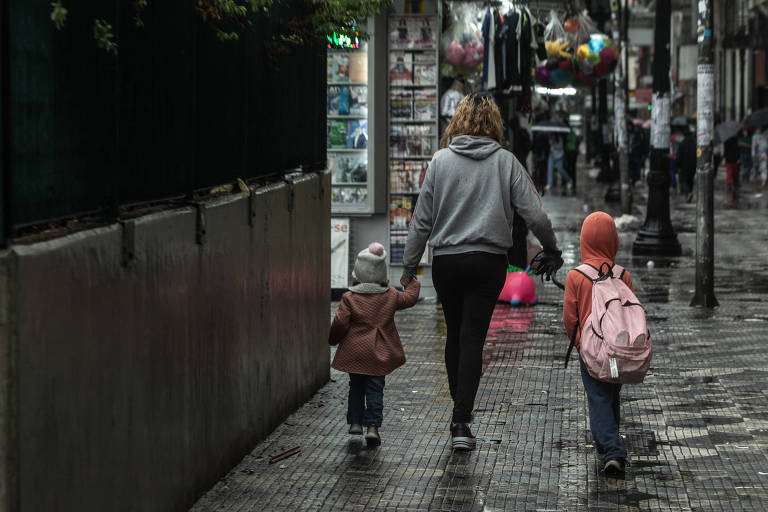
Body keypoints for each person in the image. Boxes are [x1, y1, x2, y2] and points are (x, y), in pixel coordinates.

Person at [400, 93, 562, 450]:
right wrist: (552, 248)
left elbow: (421, 220)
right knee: (473, 337)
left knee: (455, 334)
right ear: (495, 125)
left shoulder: (440, 162)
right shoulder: (506, 162)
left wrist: (409, 267)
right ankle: (462, 422)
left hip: (447, 262)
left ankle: (460, 413)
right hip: (488, 263)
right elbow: (534, 214)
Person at [563, 212, 634, 477]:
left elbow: (570, 318)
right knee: (611, 394)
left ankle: (612, 450)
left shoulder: (576, 277)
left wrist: (581, 343)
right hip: (619, 349)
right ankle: (607, 442)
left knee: (598, 396)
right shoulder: (622, 275)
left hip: (591, 351)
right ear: (613, 240)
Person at [329, 242, 421, 447]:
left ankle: (355, 423)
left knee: (356, 387)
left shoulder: (349, 298)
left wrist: (332, 339)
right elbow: (409, 298)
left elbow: (340, 323)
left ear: (358, 272)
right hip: (379, 353)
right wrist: (411, 282)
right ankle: (372, 428)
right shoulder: (390, 295)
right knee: (375, 390)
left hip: (355, 352)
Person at [676, 128, 697, 202]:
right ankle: (689, 193)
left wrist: (678, 166)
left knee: (683, 181)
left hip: (684, 166)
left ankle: (688, 193)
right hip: (693, 166)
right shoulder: (695, 144)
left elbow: (678, 156)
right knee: (690, 181)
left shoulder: (682, 144)